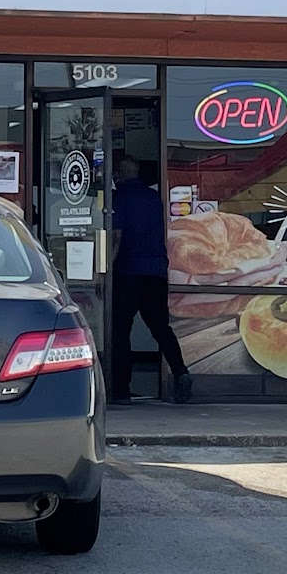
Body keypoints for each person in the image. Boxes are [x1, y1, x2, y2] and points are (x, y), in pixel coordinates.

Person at [108, 154, 192, 404]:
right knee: (160, 328)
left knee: (120, 330)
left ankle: (121, 389)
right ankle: (180, 372)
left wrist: (106, 268)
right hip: (155, 273)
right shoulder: (154, 198)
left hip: (128, 272)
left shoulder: (119, 198)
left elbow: (115, 236)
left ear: (117, 175)